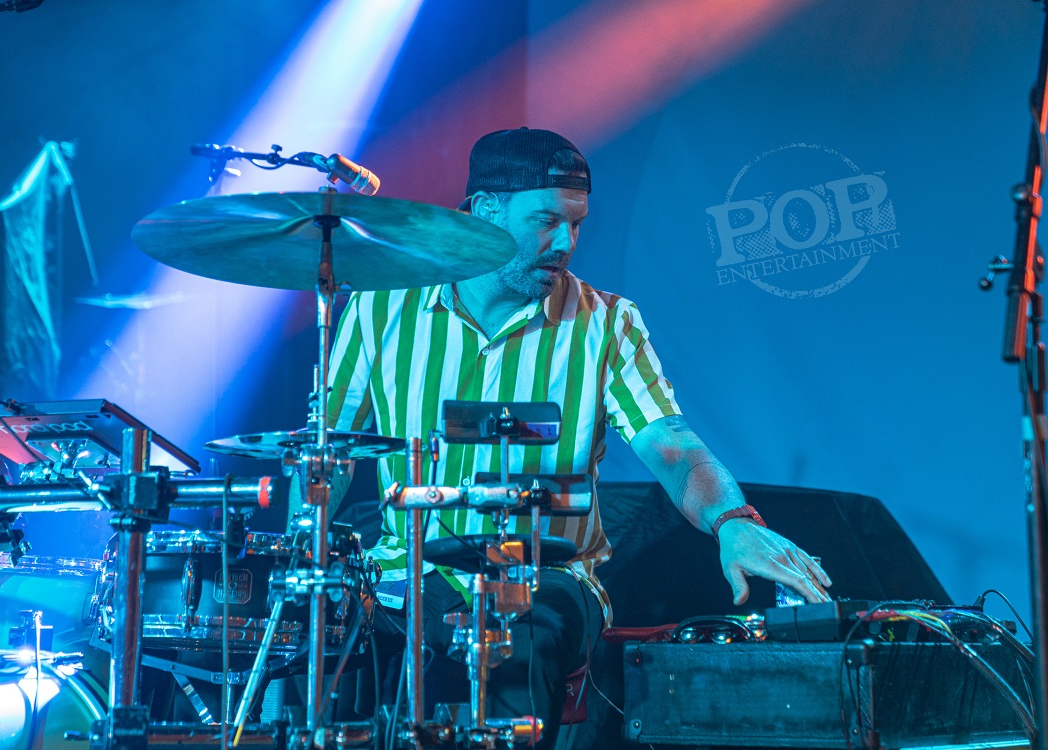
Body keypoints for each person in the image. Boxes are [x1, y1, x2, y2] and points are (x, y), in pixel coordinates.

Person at [326, 127, 832, 747]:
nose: (565, 243)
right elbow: (328, 451)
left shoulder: (608, 323)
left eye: (576, 224)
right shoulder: (379, 308)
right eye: (546, 221)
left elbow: (672, 446)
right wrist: (305, 546)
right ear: (484, 211)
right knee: (349, 646)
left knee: (517, 640)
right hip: (408, 571)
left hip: (548, 575)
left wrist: (732, 521)